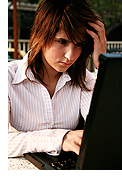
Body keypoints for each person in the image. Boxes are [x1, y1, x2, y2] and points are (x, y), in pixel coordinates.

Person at [8, 0, 106, 157]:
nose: (70, 56)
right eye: (62, 41)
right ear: (41, 34)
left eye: (79, 44)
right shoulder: (8, 78)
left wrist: (103, 64)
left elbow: (106, 128)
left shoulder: (83, 79)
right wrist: (61, 138)